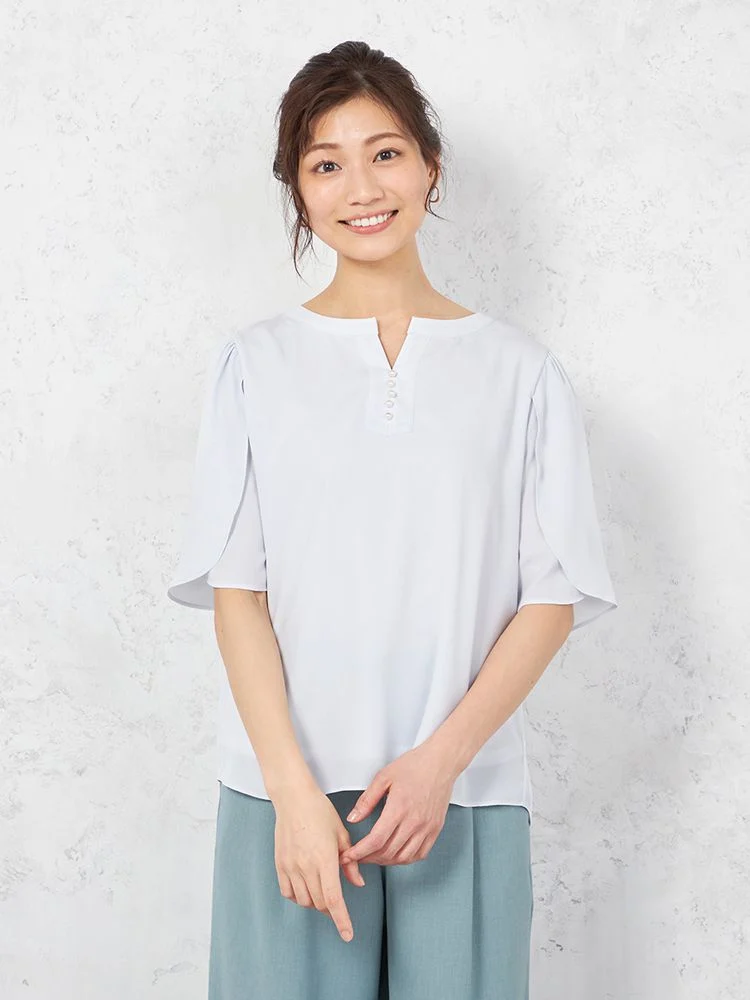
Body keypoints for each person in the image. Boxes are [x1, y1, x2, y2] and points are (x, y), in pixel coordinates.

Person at [166, 39, 618, 1000]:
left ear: (429, 166)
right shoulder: (254, 365)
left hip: (463, 791)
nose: (362, 188)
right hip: (287, 794)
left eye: (385, 153)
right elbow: (238, 591)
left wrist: (440, 763)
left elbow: (551, 597)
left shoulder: (522, 374)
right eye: (325, 164)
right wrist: (291, 790)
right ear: (298, 191)